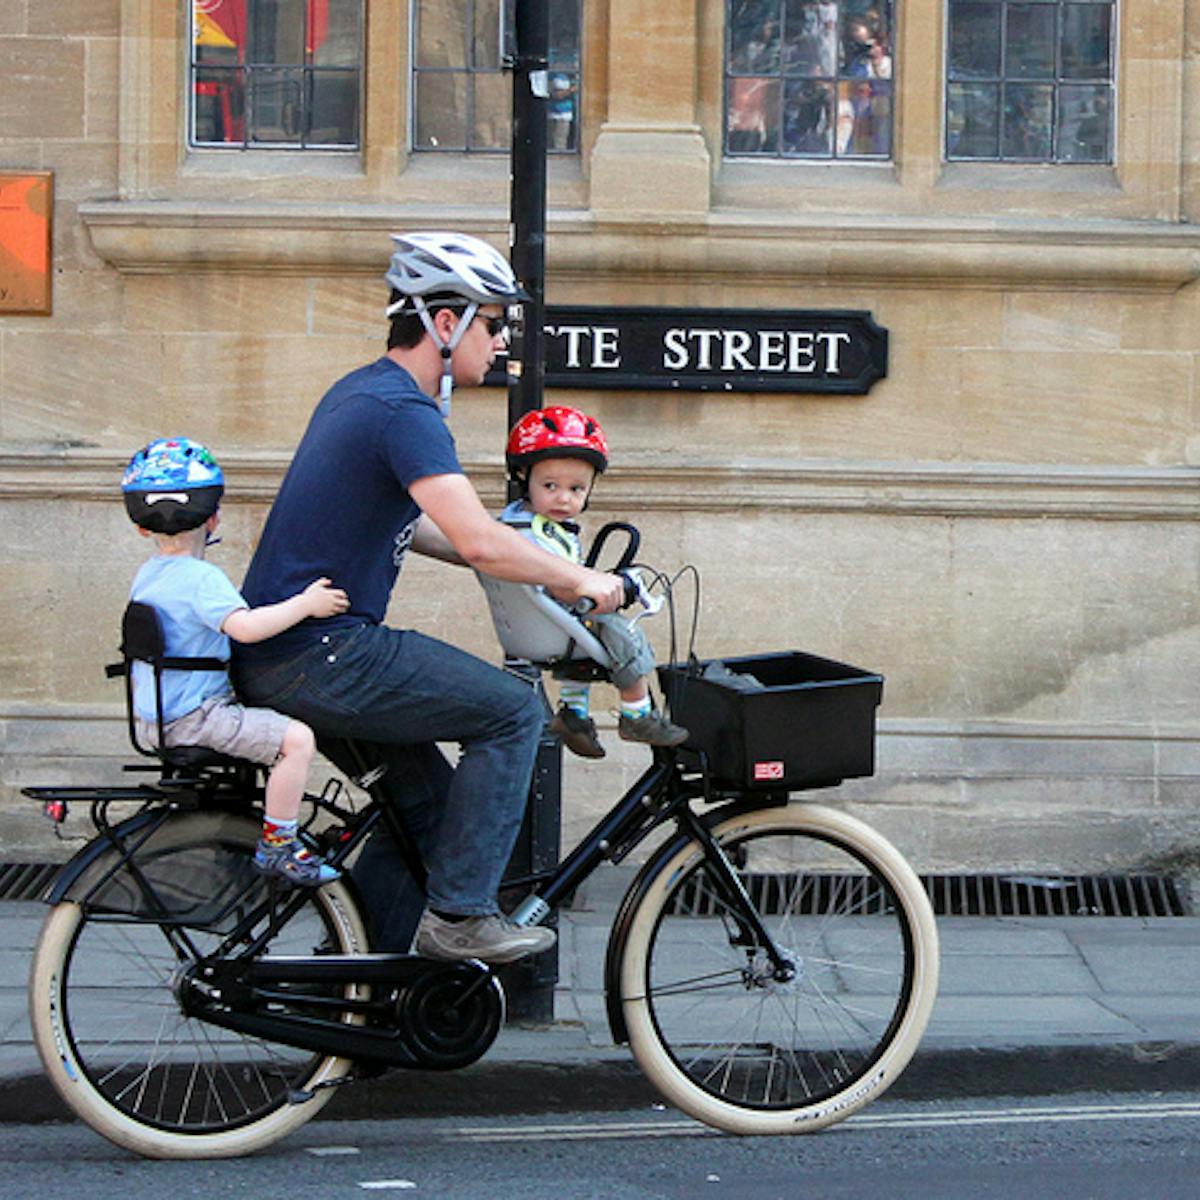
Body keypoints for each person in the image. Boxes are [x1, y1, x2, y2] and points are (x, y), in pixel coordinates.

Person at [232, 231, 627, 964]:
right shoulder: (404, 413)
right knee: (512, 713)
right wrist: (580, 578)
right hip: (326, 653)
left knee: (433, 811)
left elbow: (421, 528)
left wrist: (522, 562)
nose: (500, 343)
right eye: (492, 323)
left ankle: (362, 986)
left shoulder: (362, 392)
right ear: (445, 323)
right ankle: (460, 918)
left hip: (287, 656)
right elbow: (477, 538)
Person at [121, 437, 349, 886]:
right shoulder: (201, 578)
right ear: (213, 517)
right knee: (297, 741)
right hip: (197, 719)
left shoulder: (148, 575)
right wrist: (307, 604)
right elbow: (245, 628)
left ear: (142, 527)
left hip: (158, 718)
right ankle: (280, 843)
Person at [501, 405, 688, 760]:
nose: (563, 498)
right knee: (623, 633)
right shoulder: (533, 534)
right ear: (523, 474)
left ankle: (574, 713)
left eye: (576, 488)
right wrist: (602, 592)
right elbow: (555, 582)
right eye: (550, 486)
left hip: (545, 625)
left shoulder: (515, 521)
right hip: (556, 625)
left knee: (589, 635)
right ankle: (637, 713)